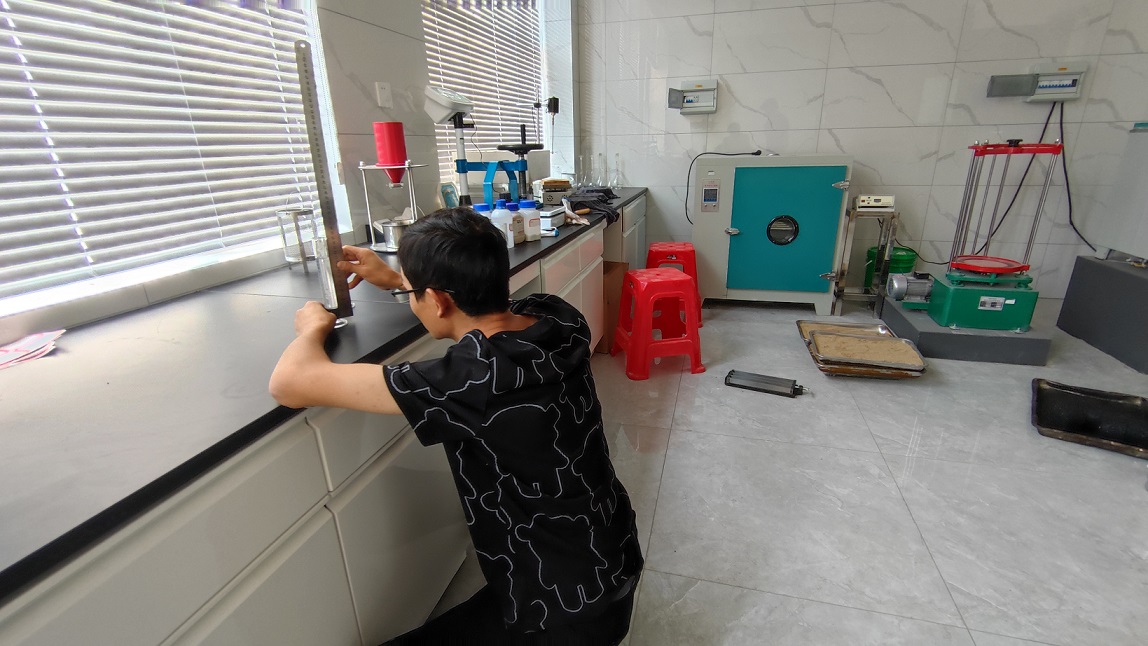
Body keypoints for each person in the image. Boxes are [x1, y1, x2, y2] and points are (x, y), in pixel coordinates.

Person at [269, 207, 643, 645]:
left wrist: (311, 328)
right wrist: (400, 281)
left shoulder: (472, 381)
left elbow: (289, 384)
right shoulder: (558, 318)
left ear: (438, 300)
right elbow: (476, 313)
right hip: (609, 556)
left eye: (414, 293)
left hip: (560, 611)